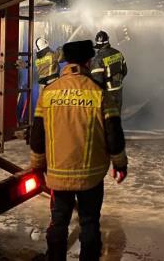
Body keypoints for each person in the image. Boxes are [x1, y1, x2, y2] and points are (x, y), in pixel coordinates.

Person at [30, 40, 128, 261]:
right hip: (90, 177)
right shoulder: (99, 93)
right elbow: (113, 133)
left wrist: (37, 166)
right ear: (88, 61)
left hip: (58, 175)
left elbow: (37, 135)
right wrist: (120, 164)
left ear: (65, 62)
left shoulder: (48, 93)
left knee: (58, 223)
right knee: (90, 222)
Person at [90, 31, 128, 113]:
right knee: (117, 114)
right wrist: (117, 81)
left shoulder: (98, 59)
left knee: (108, 116)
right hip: (118, 90)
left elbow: (96, 82)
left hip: (107, 94)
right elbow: (125, 71)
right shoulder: (118, 53)